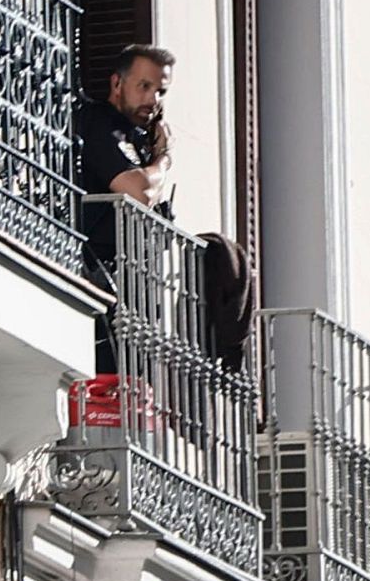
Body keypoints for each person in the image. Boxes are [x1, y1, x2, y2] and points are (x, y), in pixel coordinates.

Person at [76, 45, 254, 373]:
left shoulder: (136, 138)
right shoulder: (100, 122)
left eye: (160, 91)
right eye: (144, 86)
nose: (153, 99)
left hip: (129, 295)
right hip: (97, 282)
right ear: (117, 84)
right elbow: (140, 191)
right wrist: (163, 160)